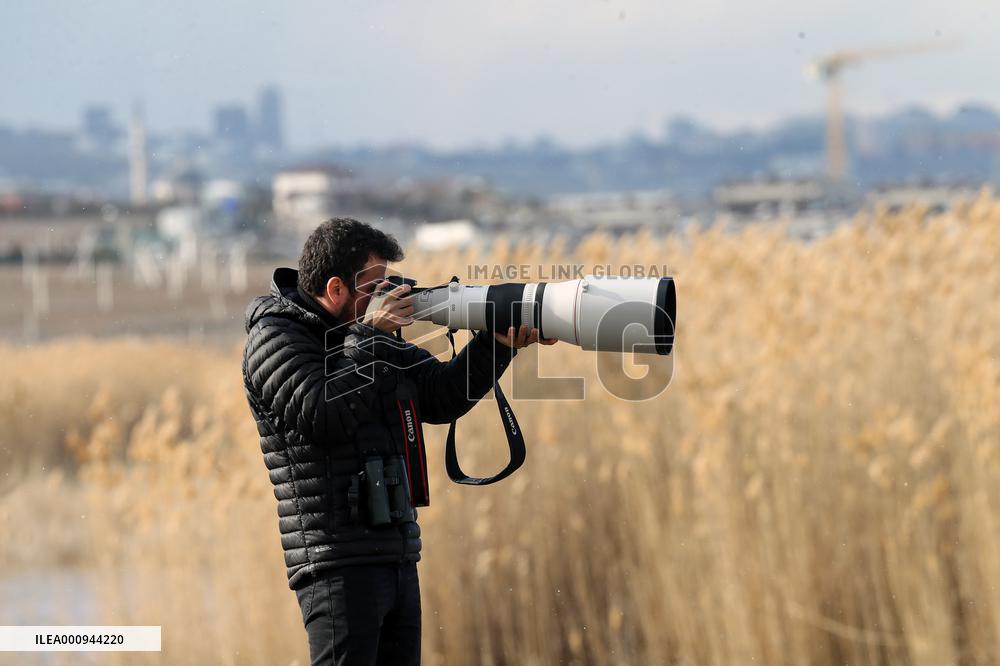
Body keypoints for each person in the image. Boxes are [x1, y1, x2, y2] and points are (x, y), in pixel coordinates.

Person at [241, 218, 554, 665]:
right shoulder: (275, 337)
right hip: (336, 565)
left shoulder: (366, 337)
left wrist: (498, 345)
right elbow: (323, 415)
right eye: (376, 286)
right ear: (335, 289)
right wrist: (370, 336)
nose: (391, 296)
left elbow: (440, 394)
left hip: (396, 554)